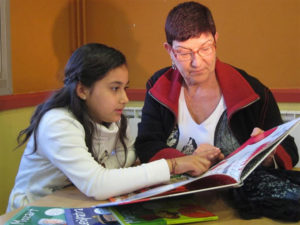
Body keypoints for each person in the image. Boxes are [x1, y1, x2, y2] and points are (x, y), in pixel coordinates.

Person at [6, 43, 222, 212]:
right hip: (36, 211)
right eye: (114, 88)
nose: (125, 98)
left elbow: (124, 161)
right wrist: (174, 164)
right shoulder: (58, 123)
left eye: (125, 88)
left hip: (77, 204)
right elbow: (97, 184)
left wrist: (190, 159)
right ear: (82, 90)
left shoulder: (111, 119)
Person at [135, 1, 298, 169]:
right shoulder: (159, 85)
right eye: (183, 52)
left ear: (215, 41)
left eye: (205, 48)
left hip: (237, 193)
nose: (196, 62)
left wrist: (269, 155)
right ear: (169, 50)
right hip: (177, 191)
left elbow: (290, 150)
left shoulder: (253, 92)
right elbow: (146, 145)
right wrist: (186, 162)